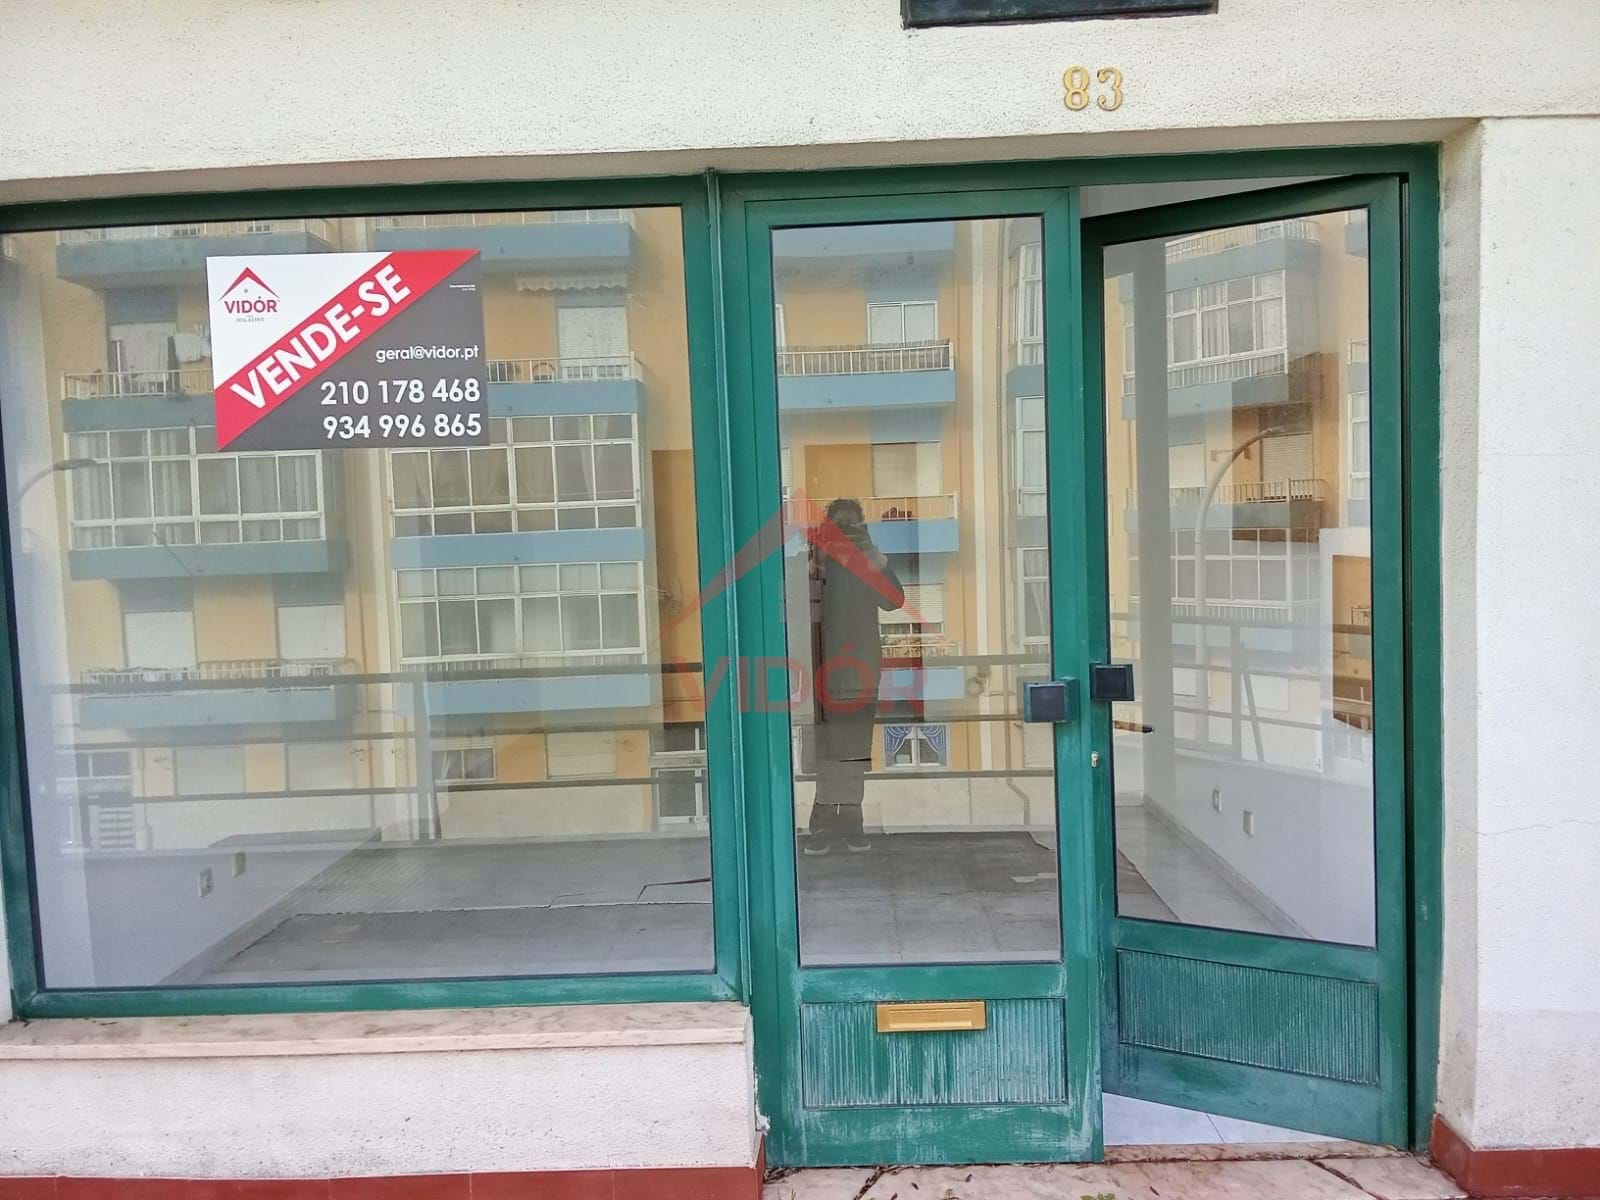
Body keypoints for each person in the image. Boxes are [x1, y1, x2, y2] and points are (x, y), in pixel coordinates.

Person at [804, 497, 904, 855]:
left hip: (861, 673)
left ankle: (850, 822)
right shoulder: (815, 561)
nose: (846, 532)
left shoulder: (867, 563)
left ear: (864, 529)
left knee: (855, 751)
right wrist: (815, 557)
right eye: (839, 525)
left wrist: (875, 559)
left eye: (853, 525)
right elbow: (795, 602)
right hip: (820, 673)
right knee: (825, 751)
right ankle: (821, 824)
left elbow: (895, 601)